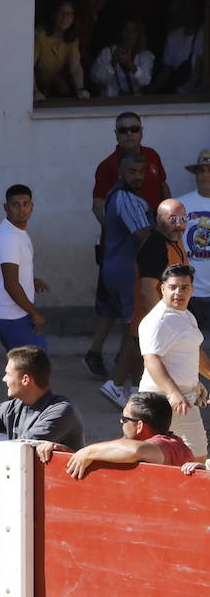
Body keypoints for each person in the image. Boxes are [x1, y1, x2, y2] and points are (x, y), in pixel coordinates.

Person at [86, 112, 171, 379]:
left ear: (141, 131)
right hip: (127, 257)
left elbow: (163, 187)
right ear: (117, 135)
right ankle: (122, 381)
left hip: (128, 255)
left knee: (124, 317)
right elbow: (100, 207)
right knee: (134, 323)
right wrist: (116, 232)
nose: (129, 134)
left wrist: (165, 213)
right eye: (124, 130)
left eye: (134, 129)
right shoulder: (111, 173)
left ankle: (120, 374)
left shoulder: (152, 158)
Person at [99, 153, 155, 406]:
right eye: (133, 171)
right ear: (121, 172)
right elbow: (143, 235)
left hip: (117, 270)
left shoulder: (116, 195)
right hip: (128, 272)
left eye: (141, 172)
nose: (138, 177)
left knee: (131, 329)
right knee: (139, 333)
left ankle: (133, 389)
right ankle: (116, 384)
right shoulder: (125, 198)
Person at [138, 263, 209, 461]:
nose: (179, 292)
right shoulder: (158, 320)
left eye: (184, 287)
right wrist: (173, 393)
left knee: (196, 459)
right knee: (155, 461)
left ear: (192, 290)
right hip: (160, 401)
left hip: (184, 399)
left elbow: (193, 351)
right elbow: (151, 359)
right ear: (162, 288)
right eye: (173, 287)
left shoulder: (186, 315)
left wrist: (196, 382)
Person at [39, 391, 192, 478]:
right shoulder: (172, 444)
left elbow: (136, 450)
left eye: (125, 419)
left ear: (139, 426)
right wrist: (68, 453)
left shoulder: (169, 445)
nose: (121, 422)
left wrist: (87, 451)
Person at [0, 184, 50, 351]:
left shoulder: (12, 230)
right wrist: (34, 313)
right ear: (6, 207)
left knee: (24, 368)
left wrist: (29, 280)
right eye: (15, 205)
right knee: (37, 363)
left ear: (32, 206)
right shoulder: (10, 237)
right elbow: (11, 284)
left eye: (25, 204)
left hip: (10, 312)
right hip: (11, 315)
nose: (21, 210)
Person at [136, 199, 190, 330]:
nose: (179, 224)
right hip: (157, 328)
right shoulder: (155, 245)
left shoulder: (175, 238)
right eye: (173, 219)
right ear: (159, 220)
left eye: (183, 218)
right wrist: (167, 325)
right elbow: (147, 291)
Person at [33, 0, 91, 101]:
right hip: (30, 89)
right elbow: (28, 67)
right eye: (61, 13)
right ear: (53, 15)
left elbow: (76, 66)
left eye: (69, 14)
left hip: (48, 90)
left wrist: (80, 89)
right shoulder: (40, 35)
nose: (65, 17)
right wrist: (35, 91)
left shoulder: (72, 38)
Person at [178, 149, 210, 335]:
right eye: (201, 170)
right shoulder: (180, 205)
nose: (205, 175)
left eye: (209, 169)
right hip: (190, 290)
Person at [150, 0, 204, 95]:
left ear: (198, 11)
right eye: (184, 8)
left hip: (199, 98)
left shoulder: (204, 34)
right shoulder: (173, 36)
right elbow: (166, 71)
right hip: (179, 96)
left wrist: (187, 99)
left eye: (192, 8)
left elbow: (198, 70)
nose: (188, 12)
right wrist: (148, 93)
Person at [90, 18, 155, 98]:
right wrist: (112, 63)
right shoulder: (108, 52)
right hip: (110, 101)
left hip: (136, 102)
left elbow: (145, 81)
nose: (129, 34)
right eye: (126, 30)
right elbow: (96, 79)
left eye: (134, 31)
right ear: (121, 32)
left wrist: (130, 64)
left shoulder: (146, 55)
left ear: (139, 34)